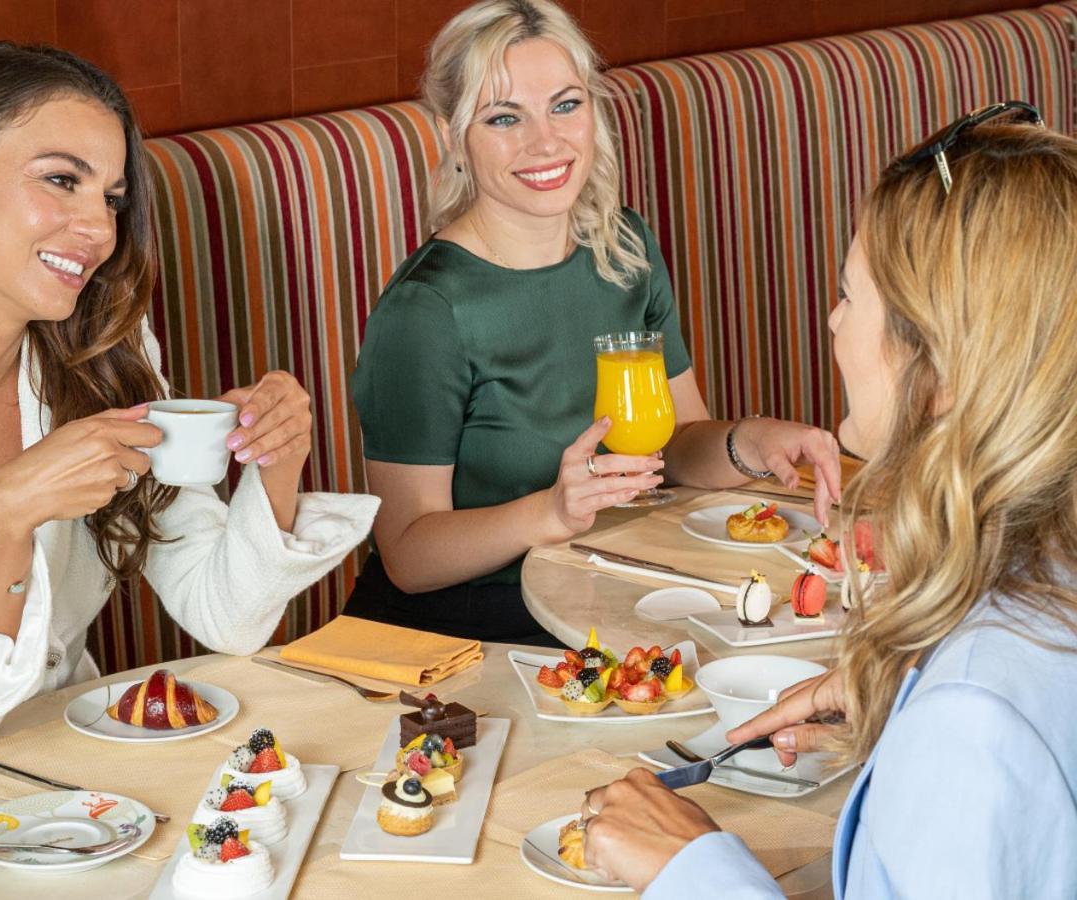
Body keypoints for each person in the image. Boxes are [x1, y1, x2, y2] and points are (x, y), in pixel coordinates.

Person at [0, 43, 378, 896]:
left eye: (111, 198)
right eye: (61, 182)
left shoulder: (99, 355)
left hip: (77, 806)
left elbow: (224, 615)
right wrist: (4, 515)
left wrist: (273, 467)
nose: (101, 230)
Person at [579, 109, 1077, 897]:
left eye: (850, 298)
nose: (834, 321)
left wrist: (695, 869)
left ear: (940, 365)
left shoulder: (975, 722)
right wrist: (905, 693)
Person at [345, 0, 840, 644]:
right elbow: (409, 557)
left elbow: (676, 443)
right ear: (450, 133)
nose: (545, 142)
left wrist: (751, 441)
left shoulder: (623, 249)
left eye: (565, 104)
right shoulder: (427, 311)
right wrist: (550, 511)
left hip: (604, 594)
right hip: (460, 634)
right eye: (503, 117)